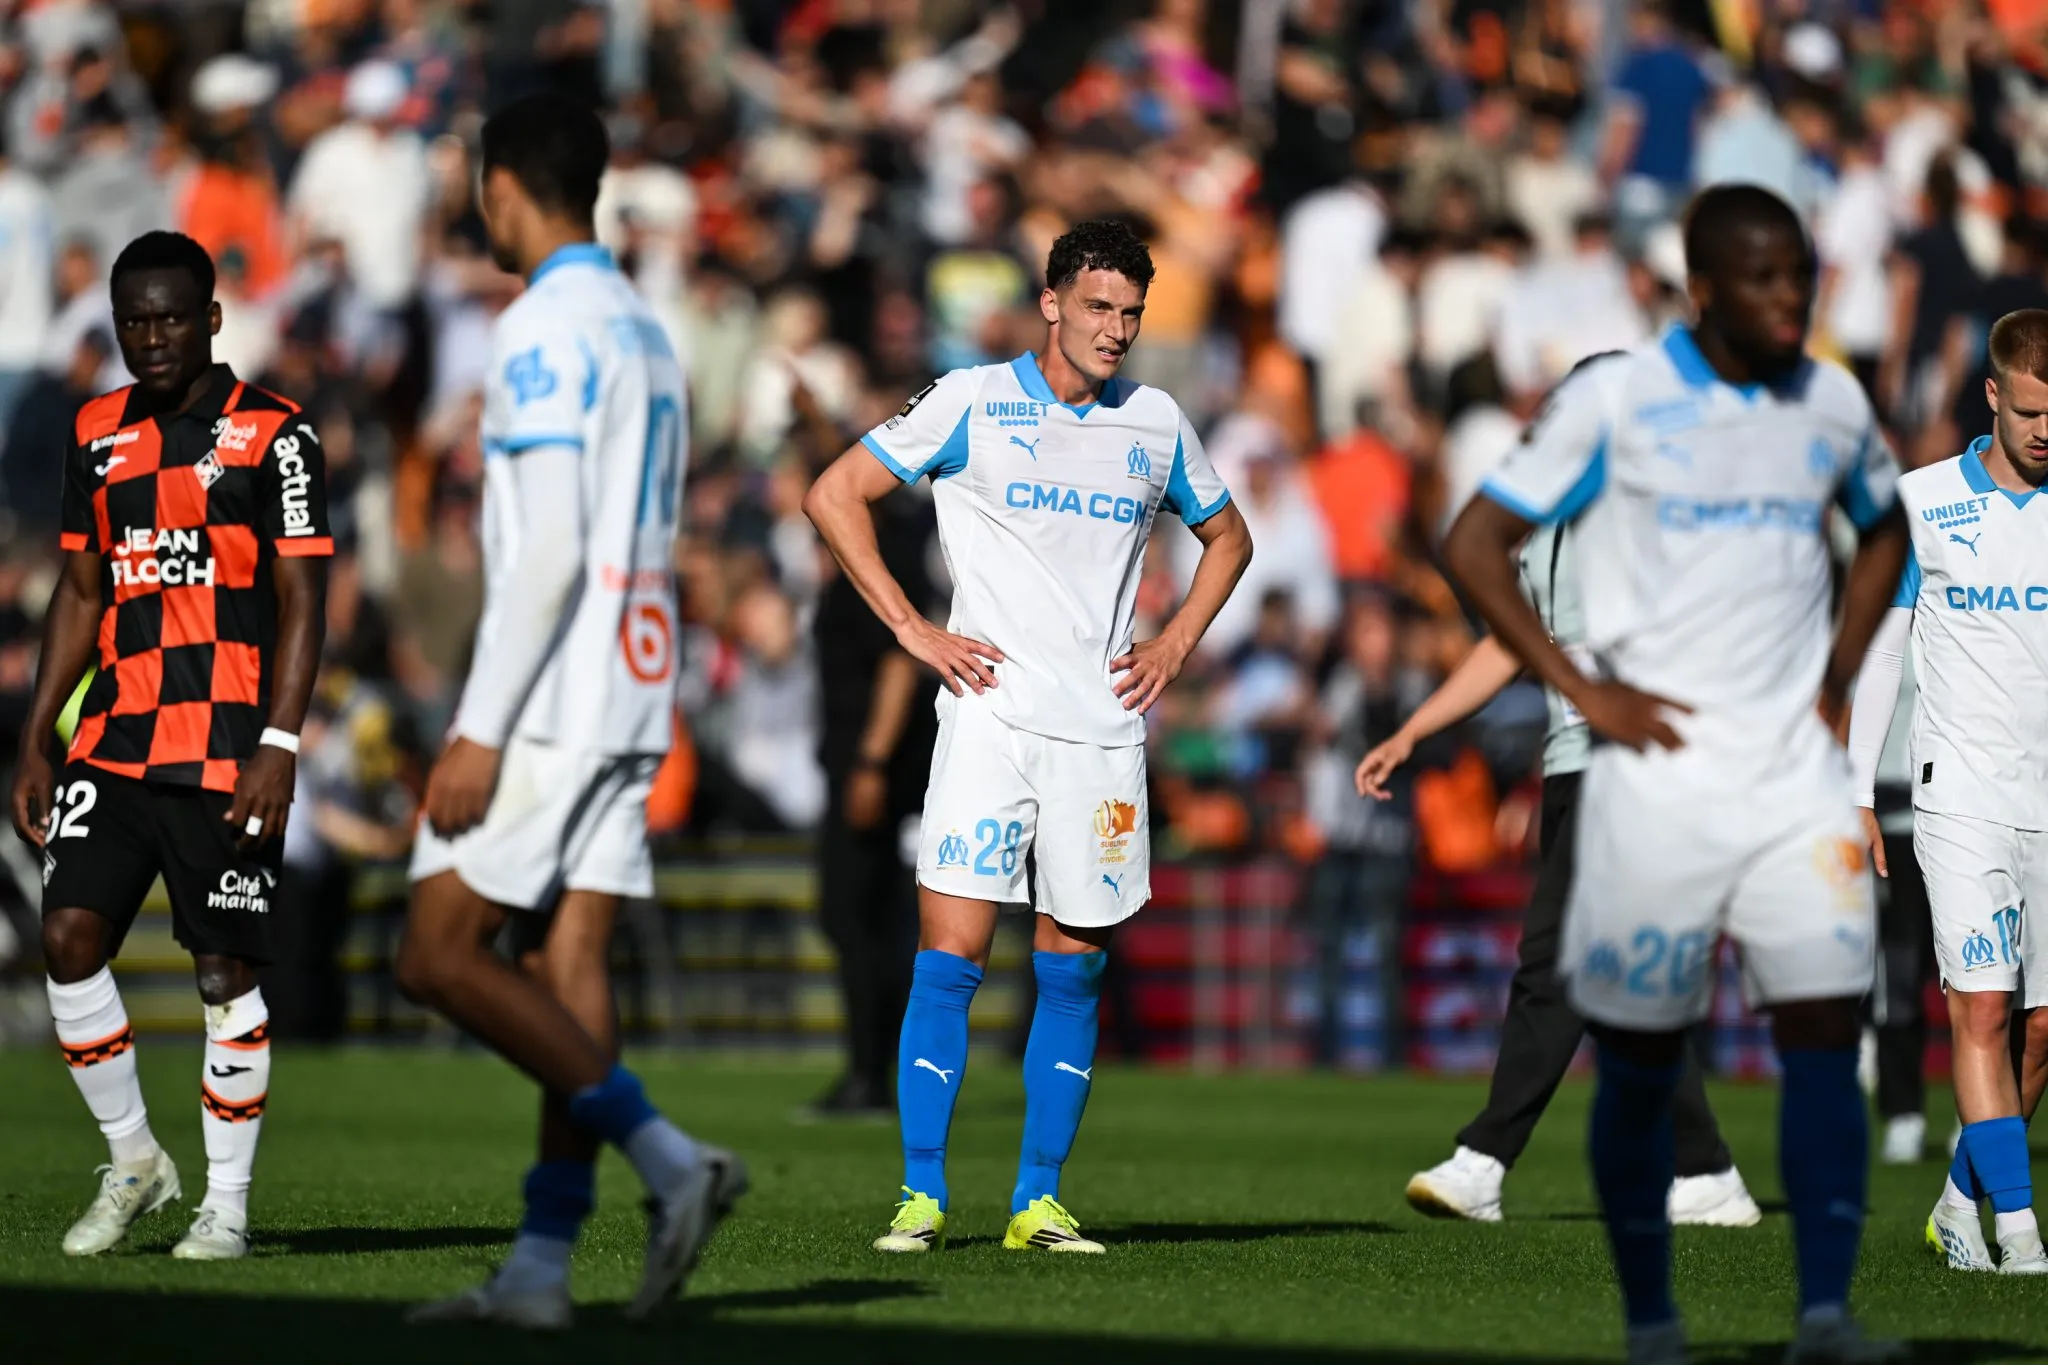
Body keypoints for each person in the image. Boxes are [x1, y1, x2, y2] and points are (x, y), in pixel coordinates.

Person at [1441, 184, 1910, 1365]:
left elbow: (1884, 527)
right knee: (1640, 1048)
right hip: (1651, 785)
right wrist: (1583, 689)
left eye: (1798, 276)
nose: (1786, 299)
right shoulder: (1614, 398)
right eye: (1760, 278)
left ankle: (1823, 1317)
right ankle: (1651, 1321)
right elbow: (1472, 547)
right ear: (1699, 289)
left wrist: (1835, 676)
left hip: (1784, 779)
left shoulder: (1832, 400)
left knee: (1815, 1030)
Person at [803, 219, 1252, 1255]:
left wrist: (1175, 643)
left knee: (1072, 970)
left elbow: (1227, 537)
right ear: (1050, 304)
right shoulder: (970, 399)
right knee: (948, 958)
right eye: (1097, 307)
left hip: (1099, 737)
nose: (1115, 330)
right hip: (988, 721)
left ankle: (1037, 1203)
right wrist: (915, 631)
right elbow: (835, 495)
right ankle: (920, 1197)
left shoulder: (1154, 422)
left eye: (1131, 314)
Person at [391, 93, 741, 1329]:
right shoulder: (645, 326)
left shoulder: (539, 324)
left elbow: (544, 552)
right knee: (566, 964)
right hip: (638, 679)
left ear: (501, 188)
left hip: (553, 691)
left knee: (433, 954)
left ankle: (669, 1159)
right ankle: (542, 1271)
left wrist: (478, 726)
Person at [1362, 369, 1760, 1227]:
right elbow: (1513, 646)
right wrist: (1415, 730)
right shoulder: (1545, 526)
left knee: (1552, 963)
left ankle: (1485, 1156)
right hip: (1575, 764)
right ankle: (1706, 1170)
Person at [8, 229, 331, 1262]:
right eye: (133, 320)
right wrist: (36, 740)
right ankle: (135, 1158)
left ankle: (225, 1210)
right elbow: (82, 589)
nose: (150, 337)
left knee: (223, 974)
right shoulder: (97, 430)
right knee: (66, 940)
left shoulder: (275, 436)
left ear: (212, 319)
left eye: (170, 317)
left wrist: (280, 741)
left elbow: (303, 596)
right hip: (113, 740)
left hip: (229, 747)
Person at [1846, 307, 2048, 1276]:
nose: (2044, 429)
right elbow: (1879, 652)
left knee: (2041, 1029)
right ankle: (2017, 1232)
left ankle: (1958, 1203)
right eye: (2029, 411)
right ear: (1992, 397)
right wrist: (1850, 787)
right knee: (1980, 1008)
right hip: (1957, 793)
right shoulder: (1921, 503)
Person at [807, 494, 939, 1118]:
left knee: (855, 918)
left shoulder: (881, 566)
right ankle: (874, 1073)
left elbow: (898, 668)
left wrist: (871, 764)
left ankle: (869, 1073)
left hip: (871, 769)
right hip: (861, 763)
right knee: (868, 922)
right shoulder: (869, 562)